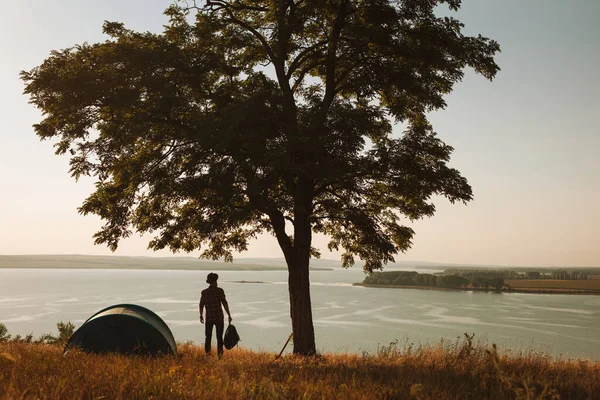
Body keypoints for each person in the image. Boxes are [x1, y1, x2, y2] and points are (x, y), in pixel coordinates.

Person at [199, 272, 232, 357]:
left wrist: (201, 315)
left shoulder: (204, 292)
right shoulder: (219, 291)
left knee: (208, 337)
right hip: (219, 318)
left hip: (209, 318)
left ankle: (208, 355)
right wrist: (229, 315)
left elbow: (201, 304)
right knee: (219, 338)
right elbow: (224, 303)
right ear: (216, 281)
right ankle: (220, 356)